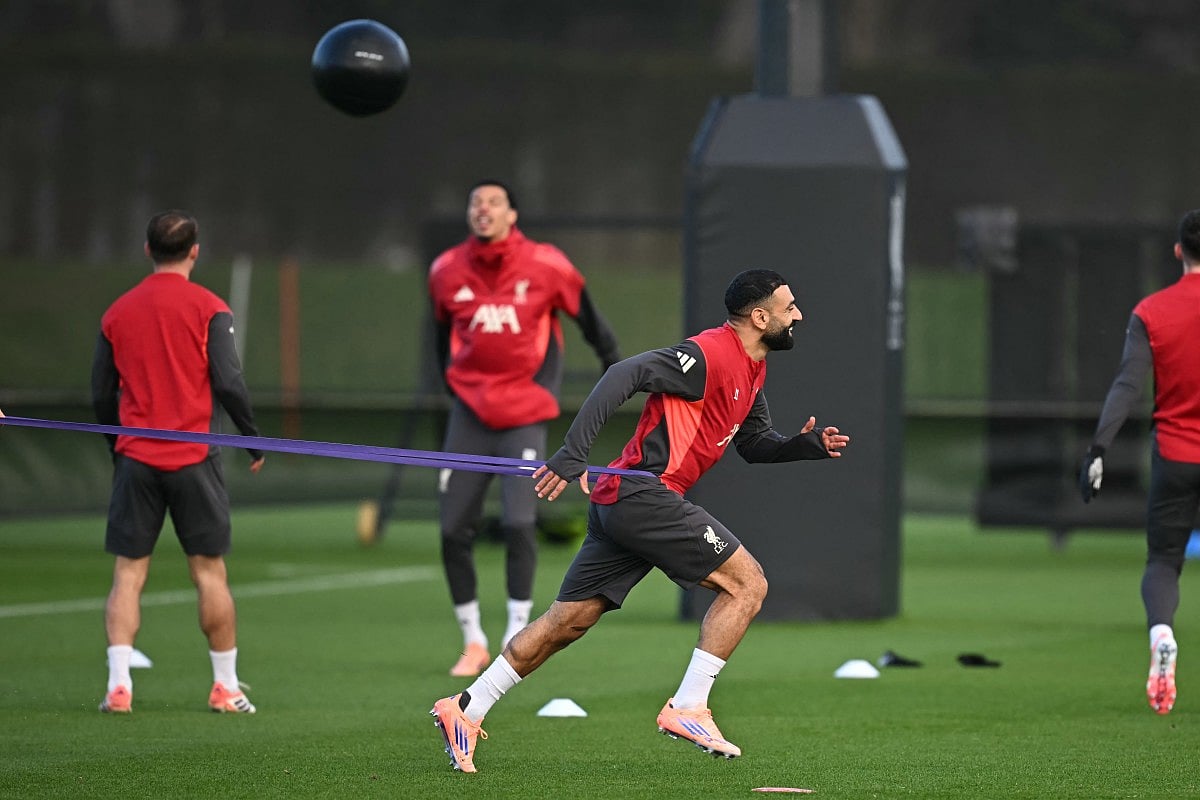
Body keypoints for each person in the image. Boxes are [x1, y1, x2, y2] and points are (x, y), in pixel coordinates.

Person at [430, 268, 850, 773]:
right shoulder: (709, 354)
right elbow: (621, 375)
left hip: (621, 502)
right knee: (747, 585)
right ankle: (688, 706)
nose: (798, 314)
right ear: (760, 317)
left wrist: (802, 447)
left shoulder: (753, 367)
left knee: (569, 621)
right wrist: (572, 452)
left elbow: (754, 444)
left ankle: (466, 708)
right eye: (789, 306)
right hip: (642, 494)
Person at [426, 179, 620, 677]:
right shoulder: (446, 270)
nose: (482, 209)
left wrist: (617, 369)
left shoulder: (547, 264)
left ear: (512, 214)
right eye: (475, 202)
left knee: (518, 524)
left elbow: (591, 320)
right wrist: (457, 394)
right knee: (452, 529)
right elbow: (439, 339)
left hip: (525, 414)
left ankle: (517, 632)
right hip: (468, 415)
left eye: (493, 202)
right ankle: (472, 640)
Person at [91, 210, 264, 715]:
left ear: (147, 250)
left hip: (135, 460)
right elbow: (229, 383)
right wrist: (253, 441)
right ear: (194, 251)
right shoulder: (210, 307)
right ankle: (225, 688)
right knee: (210, 574)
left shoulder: (117, 312)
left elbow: (101, 393)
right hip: (193, 458)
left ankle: (119, 686)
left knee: (128, 575)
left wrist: (114, 444)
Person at [1079, 208, 1200, 716]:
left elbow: (1128, 386)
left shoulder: (1152, 311)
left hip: (1174, 455)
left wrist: (1099, 449)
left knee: (1163, 562)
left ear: (1178, 251)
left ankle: (1162, 634)